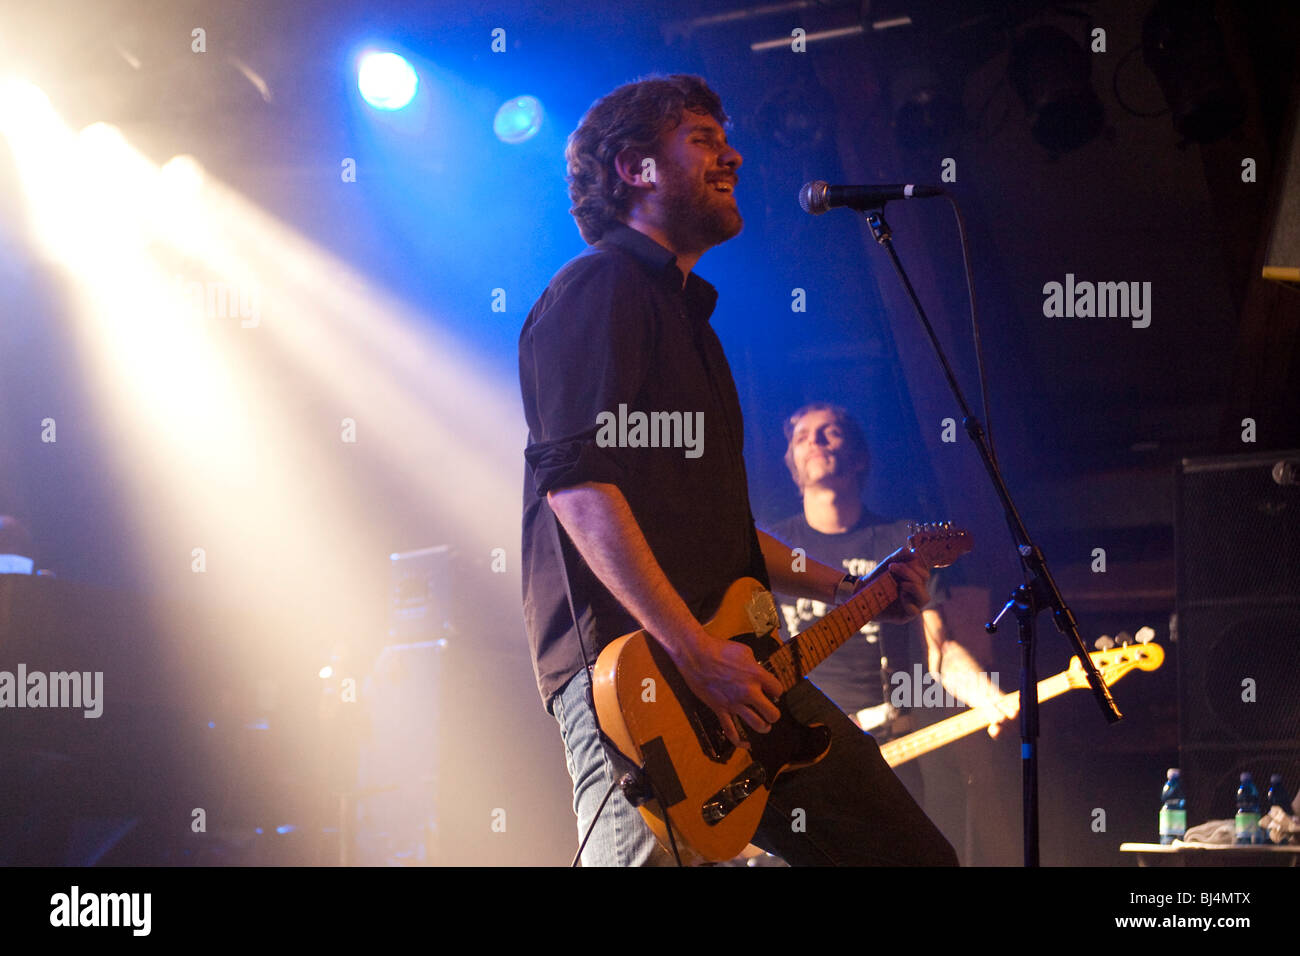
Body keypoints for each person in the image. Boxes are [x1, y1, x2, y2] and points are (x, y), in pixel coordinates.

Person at [519, 73, 956, 866]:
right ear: (634, 169)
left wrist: (847, 590)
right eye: (703, 139)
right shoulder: (598, 288)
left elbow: (718, 532)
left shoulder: (695, 327)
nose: (735, 155)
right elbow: (576, 486)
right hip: (641, 669)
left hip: (732, 668)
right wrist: (690, 648)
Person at [768, 403, 1018, 805]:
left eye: (829, 432)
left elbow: (941, 651)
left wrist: (984, 696)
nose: (814, 441)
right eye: (801, 437)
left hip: (882, 743)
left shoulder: (903, 543)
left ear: (859, 456)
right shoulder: (772, 550)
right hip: (795, 746)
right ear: (792, 465)